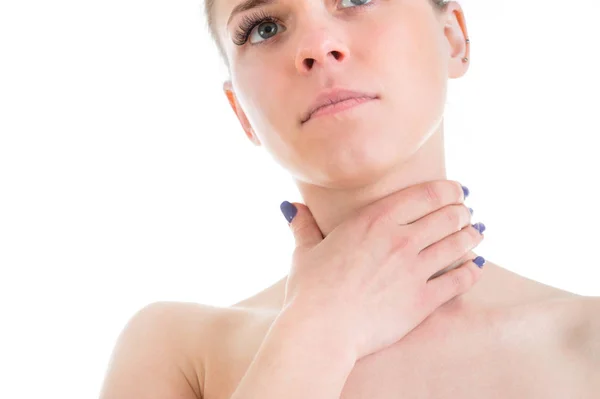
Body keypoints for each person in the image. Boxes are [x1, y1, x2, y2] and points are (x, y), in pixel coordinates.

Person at [99, 0, 600, 398]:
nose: (316, 46)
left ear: (453, 39)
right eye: (265, 27)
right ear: (241, 112)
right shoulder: (176, 353)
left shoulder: (589, 341)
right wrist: (321, 329)